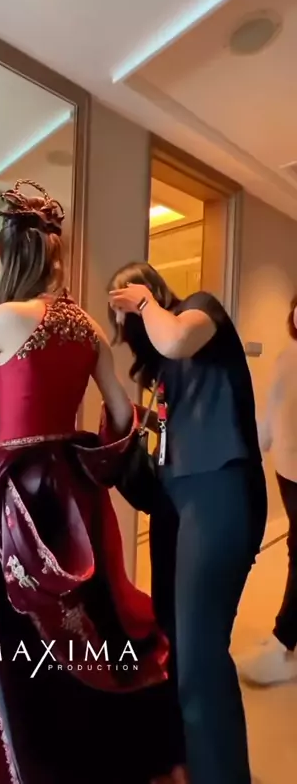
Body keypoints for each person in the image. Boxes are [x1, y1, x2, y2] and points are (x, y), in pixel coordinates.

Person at [0, 182, 187, 784]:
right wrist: (92, 460)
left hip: (13, 490)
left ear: (14, 256)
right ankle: (89, 750)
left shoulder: (9, 317)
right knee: (85, 623)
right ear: (56, 253)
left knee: (14, 630)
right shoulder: (87, 326)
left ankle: (26, 758)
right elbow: (121, 413)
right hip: (73, 490)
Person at [108, 263, 267, 784]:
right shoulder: (158, 375)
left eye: (130, 298)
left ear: (154, 291)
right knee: (176, 646)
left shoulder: (200, 311)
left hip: (219, 493)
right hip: (175, 505)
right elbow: (150, 458)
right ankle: (191, 763)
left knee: (199, 657)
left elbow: (176, 338)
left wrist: (144, 303)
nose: (126, 315)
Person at [238, 294, 297, 686]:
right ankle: (285, 638)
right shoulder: (287, 357)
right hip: (289, 469)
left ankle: (283, 638)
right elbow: (273, 406)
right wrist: (253, 451)